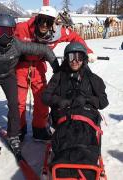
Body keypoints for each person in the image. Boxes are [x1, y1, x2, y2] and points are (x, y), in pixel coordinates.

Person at [0, 13, 59, 158]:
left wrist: (56, 66)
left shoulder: (17, 44)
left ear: (13, 32)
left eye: (8, 32)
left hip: (7, 77)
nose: (4, 36)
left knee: (14, 104)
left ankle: (13, 135)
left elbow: (43, 49)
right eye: (0, 31)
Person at [14, 6, 97, 142]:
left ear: (53, 23)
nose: (44, 25)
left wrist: (87, 51)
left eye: (48, 22)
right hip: (21, 67)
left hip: (39, 67)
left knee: (42, 100)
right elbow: (5, 36)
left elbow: (75, 37)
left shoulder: (58, 33)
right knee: (18, 102)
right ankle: (18, 131)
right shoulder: (22, 28)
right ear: (37, 18)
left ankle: (39, 130)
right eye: (41, 20)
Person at [42, 42, 109, 179]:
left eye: (79, 57)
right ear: (66, 59)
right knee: (65, 133)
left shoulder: (92, 79)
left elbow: (103, 101)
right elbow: (46, 96)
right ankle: (65, 161)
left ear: (84, 59)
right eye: (71, 57)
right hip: (64, 115)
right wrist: (59, 101)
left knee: (84, 133)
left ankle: (84, 160)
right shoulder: (59, 76)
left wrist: (87, 99)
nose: (75, 61)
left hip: (86, 116)